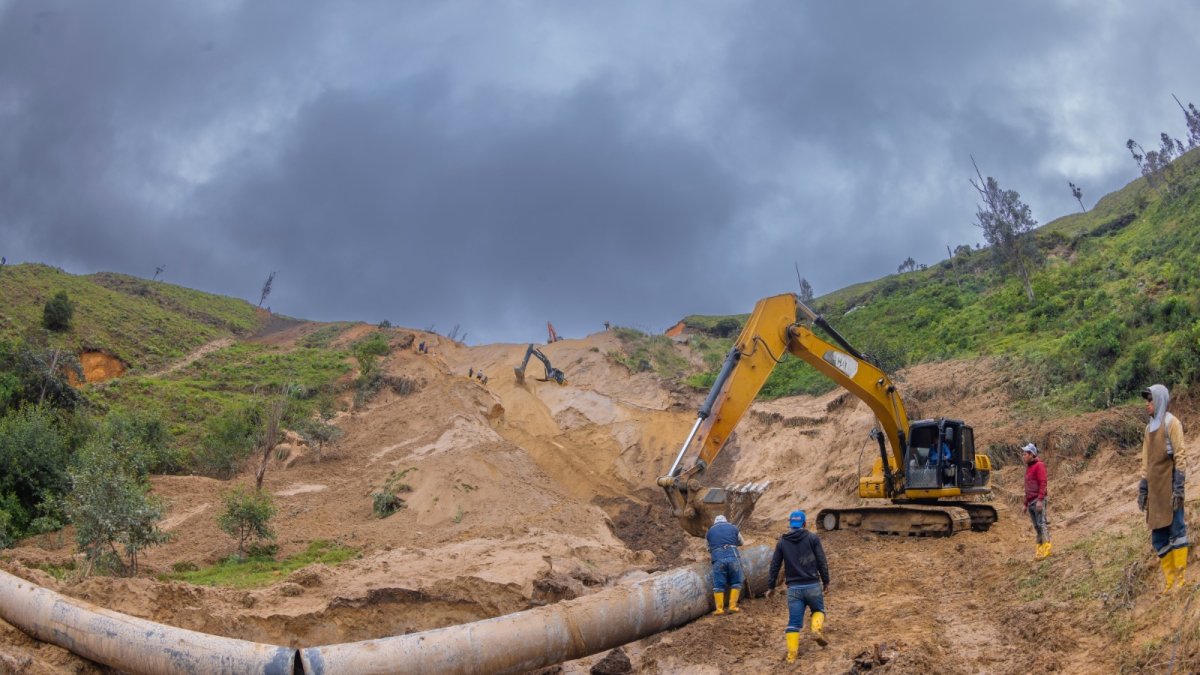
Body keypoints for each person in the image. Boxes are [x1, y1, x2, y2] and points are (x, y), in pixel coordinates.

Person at [1138, 384, 1189, 592]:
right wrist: (1143, 488)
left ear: (1159, 400)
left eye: (1150, 400)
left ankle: (1182, 577)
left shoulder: (1171, 423)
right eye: (1146, 401)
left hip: (1169, 484)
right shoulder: (1148, 428)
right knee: (1158, 538)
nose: (1147, 404)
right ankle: (1170, 581)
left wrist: (1179, 488)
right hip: (1155, 489)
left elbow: (1180, 456)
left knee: (1177, 529)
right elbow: (1146, 462)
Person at [765, 510, 830, 662]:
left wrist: (771, 587)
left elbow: (774, 566)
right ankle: (815, 629)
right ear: (805, 524)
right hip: (812, 584)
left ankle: (791, 656)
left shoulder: (782, 542)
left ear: (790, 525)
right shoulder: (812, 538)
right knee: (818, 610)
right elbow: (821, 561)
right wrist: (826, 581)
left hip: (793, 589)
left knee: (793, 623)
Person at [705, 514, 745, 616]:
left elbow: (708, 548)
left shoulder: (709, 532)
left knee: (718, 584)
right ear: (726, 521)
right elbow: (741, 542)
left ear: (715, 523)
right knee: (736, 582)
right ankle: (732, 606)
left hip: (718, 559)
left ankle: (719, 609)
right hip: (733, 557)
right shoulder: (733, 528)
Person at [1023, 443, 1051, 559]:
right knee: (1036, 526)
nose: (1023, 456)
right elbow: (1028, 487)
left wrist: (1040, 500)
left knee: (1042, 524)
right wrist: (1025, 504)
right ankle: (1039, 550)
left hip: (1037, 500)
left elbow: (1043, 482)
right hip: (1030, 502)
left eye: (1025, 454)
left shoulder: (1039, 466)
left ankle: (1047, 550)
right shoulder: (1029, 467)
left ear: (1032, 454)